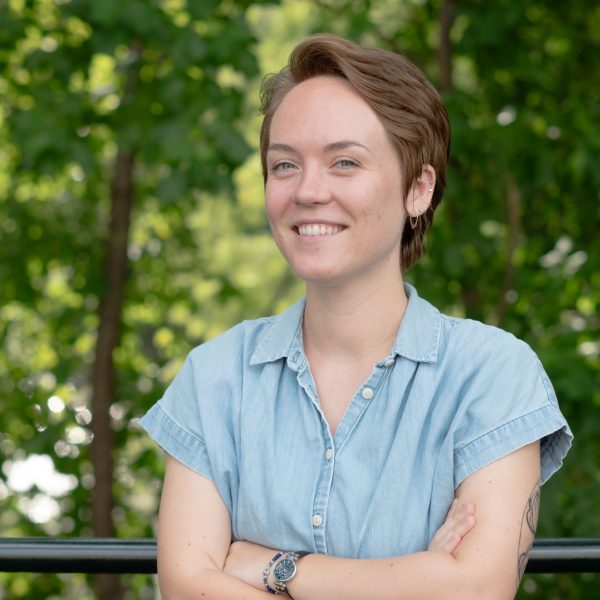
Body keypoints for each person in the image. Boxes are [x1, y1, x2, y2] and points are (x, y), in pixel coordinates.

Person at [140, 34, 572, 599]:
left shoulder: (492, 374)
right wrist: (415, 579)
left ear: (419, 188)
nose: (309, 190)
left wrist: (271, 568)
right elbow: (187, 587)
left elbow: (475, 591)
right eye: (284, 165)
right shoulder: (215, 376)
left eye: (344, 162)